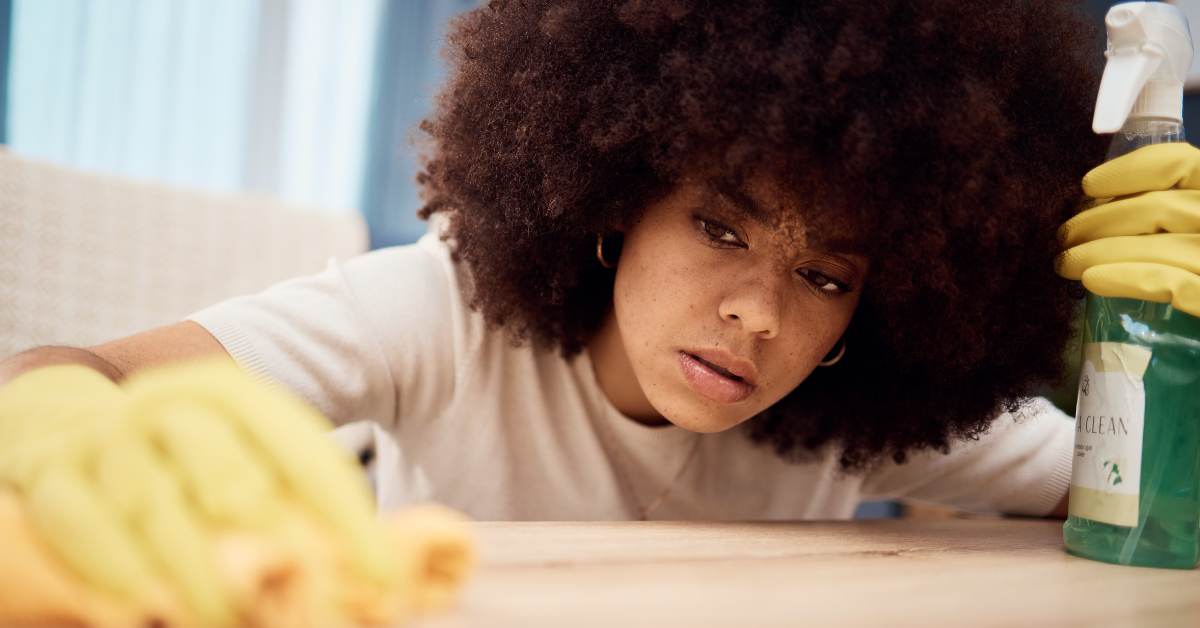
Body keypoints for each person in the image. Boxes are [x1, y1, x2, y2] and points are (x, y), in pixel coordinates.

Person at [0, 0, 1141, 545]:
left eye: (827, 276)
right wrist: (65, 446)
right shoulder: (440, 317)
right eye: (722, 228)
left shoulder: (860, 409)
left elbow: (1142, 496)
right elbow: (74, 372)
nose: (756, 313)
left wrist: (1163, 331)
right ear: (614, 199)